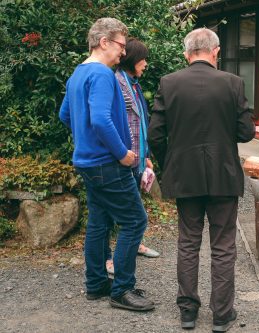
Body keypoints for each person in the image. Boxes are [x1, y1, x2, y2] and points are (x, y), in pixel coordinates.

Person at [148, 28, 255, 332]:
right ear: (215, 51)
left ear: (187, 53)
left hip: (185, 175)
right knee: (223, 246)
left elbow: (155, 133)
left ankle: (187, 312)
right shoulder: (232, 83)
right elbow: (246, 132)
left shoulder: (169, 83)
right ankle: (222, 314)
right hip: (223, 173)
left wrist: (172, 161)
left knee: (188, 242)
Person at [59, 18, 154, 312]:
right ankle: (122, 290)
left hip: (88, 163)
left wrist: (86, 140)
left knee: (99, 223)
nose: (123, 53)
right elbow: (100, 119)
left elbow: (65, 115)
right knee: (134, 221)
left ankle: (97, 283)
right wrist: (122, 152)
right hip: (108, 163)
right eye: (121, 46)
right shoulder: (102, 74)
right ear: (104, 43)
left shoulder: (78, 73)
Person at [104, 37, 159, 276]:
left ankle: (134, 244)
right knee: (109, 213)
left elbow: (140, 123)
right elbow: (111, 124)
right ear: (133, 60)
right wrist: (121, 153)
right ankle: (108, 258)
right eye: (143, 58)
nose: (145, 63)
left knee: (134, 204)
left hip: (136, 155)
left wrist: (146, 155)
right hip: (121, 158)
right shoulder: (116, 82)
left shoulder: (133, 83)